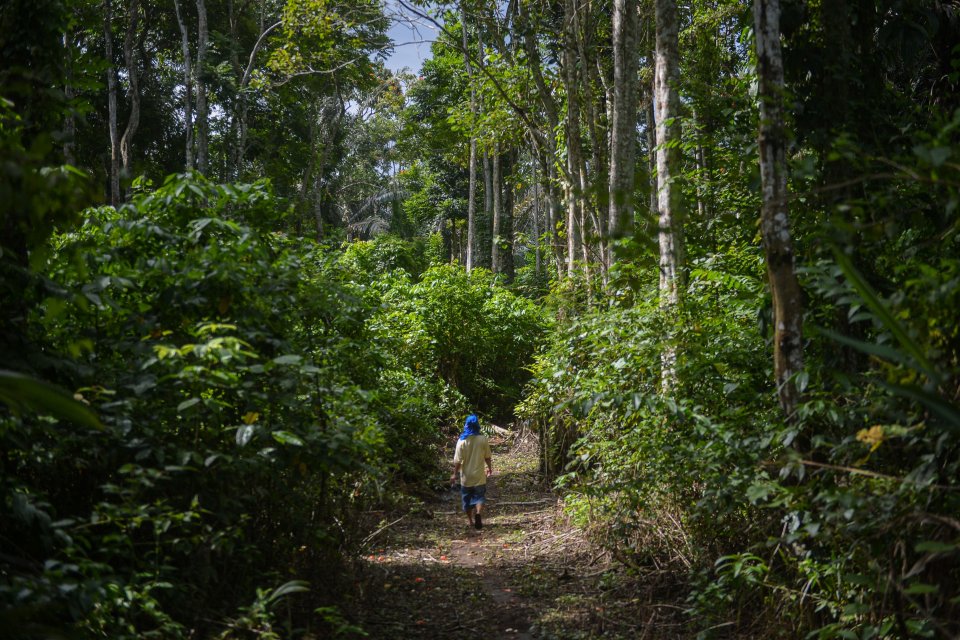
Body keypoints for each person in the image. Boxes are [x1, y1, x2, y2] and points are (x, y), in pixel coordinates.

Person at [449, 414, 492, 530]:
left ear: (466, 425)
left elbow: (457, 461)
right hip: (479, 476)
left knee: (466, 499)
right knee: (479, 496)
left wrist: (454, 474)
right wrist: (489, 468)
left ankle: (470, 521)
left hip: (466, 477)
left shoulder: (461, 441)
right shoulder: (482, 439)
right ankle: (478, 512)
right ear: (477, 425)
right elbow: (487, 456)